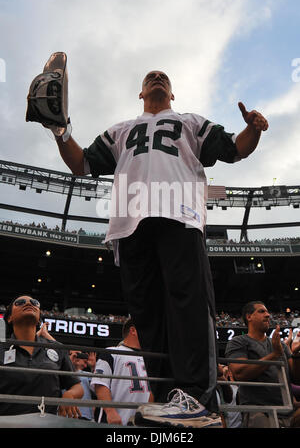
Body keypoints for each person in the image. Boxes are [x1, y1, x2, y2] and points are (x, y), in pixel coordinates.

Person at [51, 69, 268, 427]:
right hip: (130, 225)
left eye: (163, 76)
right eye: (151, 76)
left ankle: (197, 398)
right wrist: (61, 131)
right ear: (140, 93)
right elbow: (81, 163)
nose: (156, 78)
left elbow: (235, 149)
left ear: (172, 92)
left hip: (178, 214)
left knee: (189, 304)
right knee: (149, 315)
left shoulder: (190, 122)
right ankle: (172, 399)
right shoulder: (120, 131)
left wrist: (253, 129)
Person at [0, 295, 83, 417]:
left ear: (39, 319)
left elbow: (77, 387)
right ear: (9, 317)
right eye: (20, 302)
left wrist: (69, 395)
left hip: (46, 422)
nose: (29, 303)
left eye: (35, 302)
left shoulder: (57, 348)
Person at [225, 300, 300, 428]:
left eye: (267, 312)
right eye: (261, 311)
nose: (267, 315)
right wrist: (274, 355)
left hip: (288, 409)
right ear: (249, 317)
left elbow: (296, 377)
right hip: (259, 411)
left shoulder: (280, 344)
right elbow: (240, 373)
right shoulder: (238, 342)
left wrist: (296, 354)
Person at [90, 318, 153, 426]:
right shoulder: (112, 352)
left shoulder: (150, 358)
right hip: (116, 420)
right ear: (133, 330)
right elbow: (100, 384)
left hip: (142, 420)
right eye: (145, 329)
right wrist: (110, 412)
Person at [69, 350, 97, 421]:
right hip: (66, 414)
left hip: (84, 415)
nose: (85, 365)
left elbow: (99, 386)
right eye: (84, 362)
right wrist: (68, 362)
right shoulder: (62, 371)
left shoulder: (86, 374)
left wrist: (94, 367)